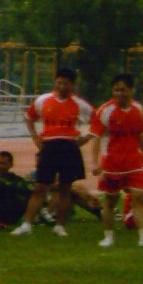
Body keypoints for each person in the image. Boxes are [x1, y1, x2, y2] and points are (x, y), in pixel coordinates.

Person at [90, 74, 143, 248]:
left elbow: (140, 136)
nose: (119, 93)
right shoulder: (105, 111)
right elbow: (96, 137)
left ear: (131, 90)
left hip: (134, 162)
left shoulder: (138, 109)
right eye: (116, 90)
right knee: (110, 200)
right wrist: (95, 162)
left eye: (123, 90)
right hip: (112, 163)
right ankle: (108, 236)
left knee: (138, 197)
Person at [21, 69, 91, 237]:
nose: (61, 86)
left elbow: (97, 124)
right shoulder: (43, 100)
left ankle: (59, 225)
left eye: (65, 83)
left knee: (65, 188)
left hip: (69, 148)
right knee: (40, 187)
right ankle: (26, 224)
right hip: (49, 147)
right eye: (59, 82)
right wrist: (35, 137)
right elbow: (29, 117)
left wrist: (83, 139)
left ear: (72, 85)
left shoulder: (80, 104)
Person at [0, 150, 35, 232]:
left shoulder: (14, 178)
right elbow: (8, 186)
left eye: (4, 163)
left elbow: (29, 189)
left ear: (11, 165)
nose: (0, 166)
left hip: (12, 209)